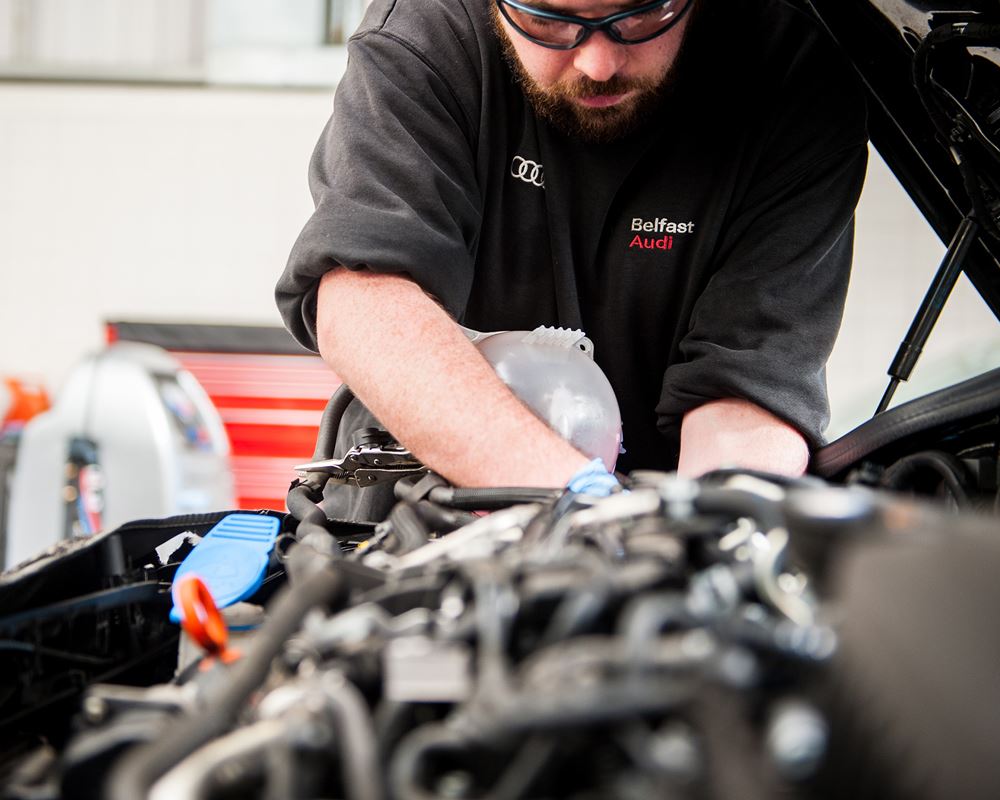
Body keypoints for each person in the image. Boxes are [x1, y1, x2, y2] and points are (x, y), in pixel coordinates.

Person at [276, 0, 867, 503]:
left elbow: (750, 384)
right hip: (422, 518)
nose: (598, 63)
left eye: (642, 13)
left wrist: (696, 543)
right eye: (549, 20)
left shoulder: (789, 72)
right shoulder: (427, 35)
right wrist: (584, 504)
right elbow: (366, 298)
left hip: (657, 527)